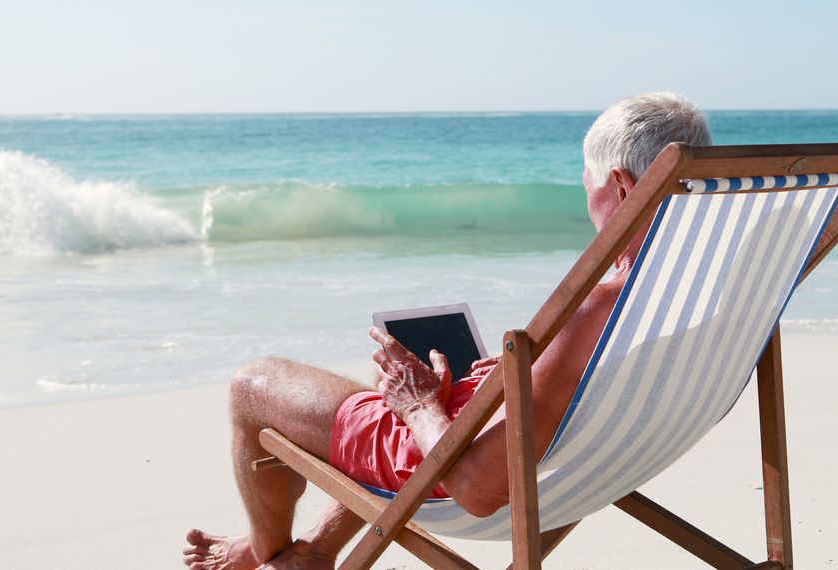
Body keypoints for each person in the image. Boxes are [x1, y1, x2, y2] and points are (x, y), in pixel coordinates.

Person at [183, 92, 713, 570]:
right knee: (403, 392)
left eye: (588, 184)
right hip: (597, 465)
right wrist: (503, 379)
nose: (587, 201)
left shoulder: (600, 302)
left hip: (477, 475)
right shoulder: (708, 282)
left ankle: (268, 551)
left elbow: (478, 490)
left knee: (254, 385)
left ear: (620, 186)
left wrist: (417, 406)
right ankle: (318, 549)